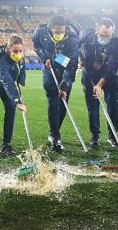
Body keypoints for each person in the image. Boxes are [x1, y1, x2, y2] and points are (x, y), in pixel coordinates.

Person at [32, 15, 79, 152]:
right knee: (53, 101)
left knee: (63, 103)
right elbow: (36, 45)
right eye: (56, 32)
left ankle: (54, 131)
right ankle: (55, 136)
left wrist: (64, 85)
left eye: (61, 31)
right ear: (50, 28)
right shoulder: (40, 32)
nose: (59, 34)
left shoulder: (72, 37)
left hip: (65, 68)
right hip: (49, 69)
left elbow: (72, 64)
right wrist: (44, 57)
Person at [78, 18, 118, 147]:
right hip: (89, 74)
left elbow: (112, 67)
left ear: (113, 31)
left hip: (109, 77)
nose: (105, 38)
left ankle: (113, 136)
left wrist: (99, 85)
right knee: (92, 106)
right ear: (96, 29)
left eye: (108, 36)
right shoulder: (86, 36)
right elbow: (77, 47)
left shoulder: (117, 44)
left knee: (113, 103)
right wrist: (81, 60)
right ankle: (95, 135)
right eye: (102, 35)